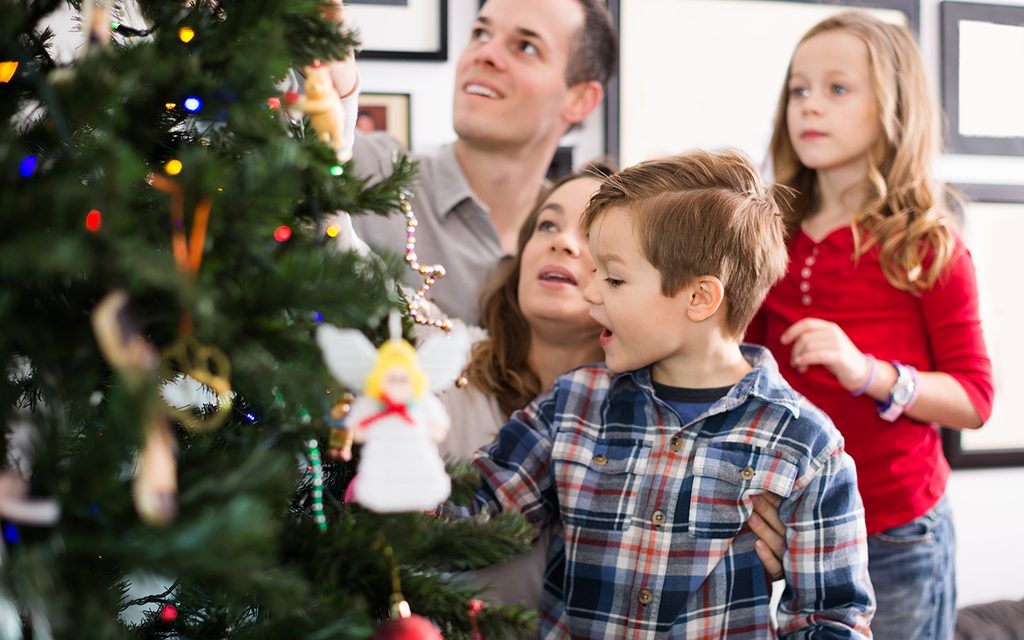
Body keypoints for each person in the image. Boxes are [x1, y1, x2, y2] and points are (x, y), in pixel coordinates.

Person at [443, 150, 874, 638]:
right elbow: (471, 513)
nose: (591, 294)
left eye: (614, 278)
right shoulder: (573, 405)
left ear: (699, 298)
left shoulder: (806, 446)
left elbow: (832, 619)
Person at [748, 12, 994, 640]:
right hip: (786, 525)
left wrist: (869, 373)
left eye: (837, 88)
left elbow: (973, 399)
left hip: (894, 534)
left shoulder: (927, 244)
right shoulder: (769, 234)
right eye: (799, 89)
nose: (809, 106)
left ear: (894, 106)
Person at [343, 0, 617, 324]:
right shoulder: (363, 171)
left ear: (579, 99)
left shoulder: (590, 248)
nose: (484, 54)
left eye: (526, 46)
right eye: (481, 33)